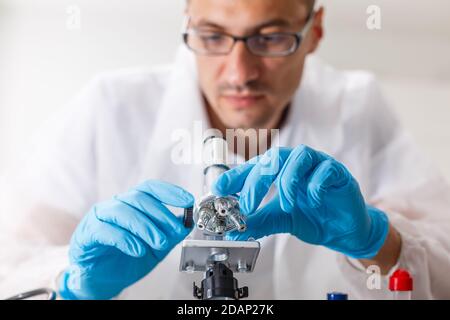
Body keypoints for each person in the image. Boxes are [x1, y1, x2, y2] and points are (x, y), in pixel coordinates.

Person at [1, 0, 450, 300]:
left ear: (314, 31)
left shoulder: (356, 106)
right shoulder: (111, 107)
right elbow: (11, 268)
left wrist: (377, 240)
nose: (239, 73)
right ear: (187, 25)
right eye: (213, 36)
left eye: (270, 38)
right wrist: (69, 285)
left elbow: (444, 269)